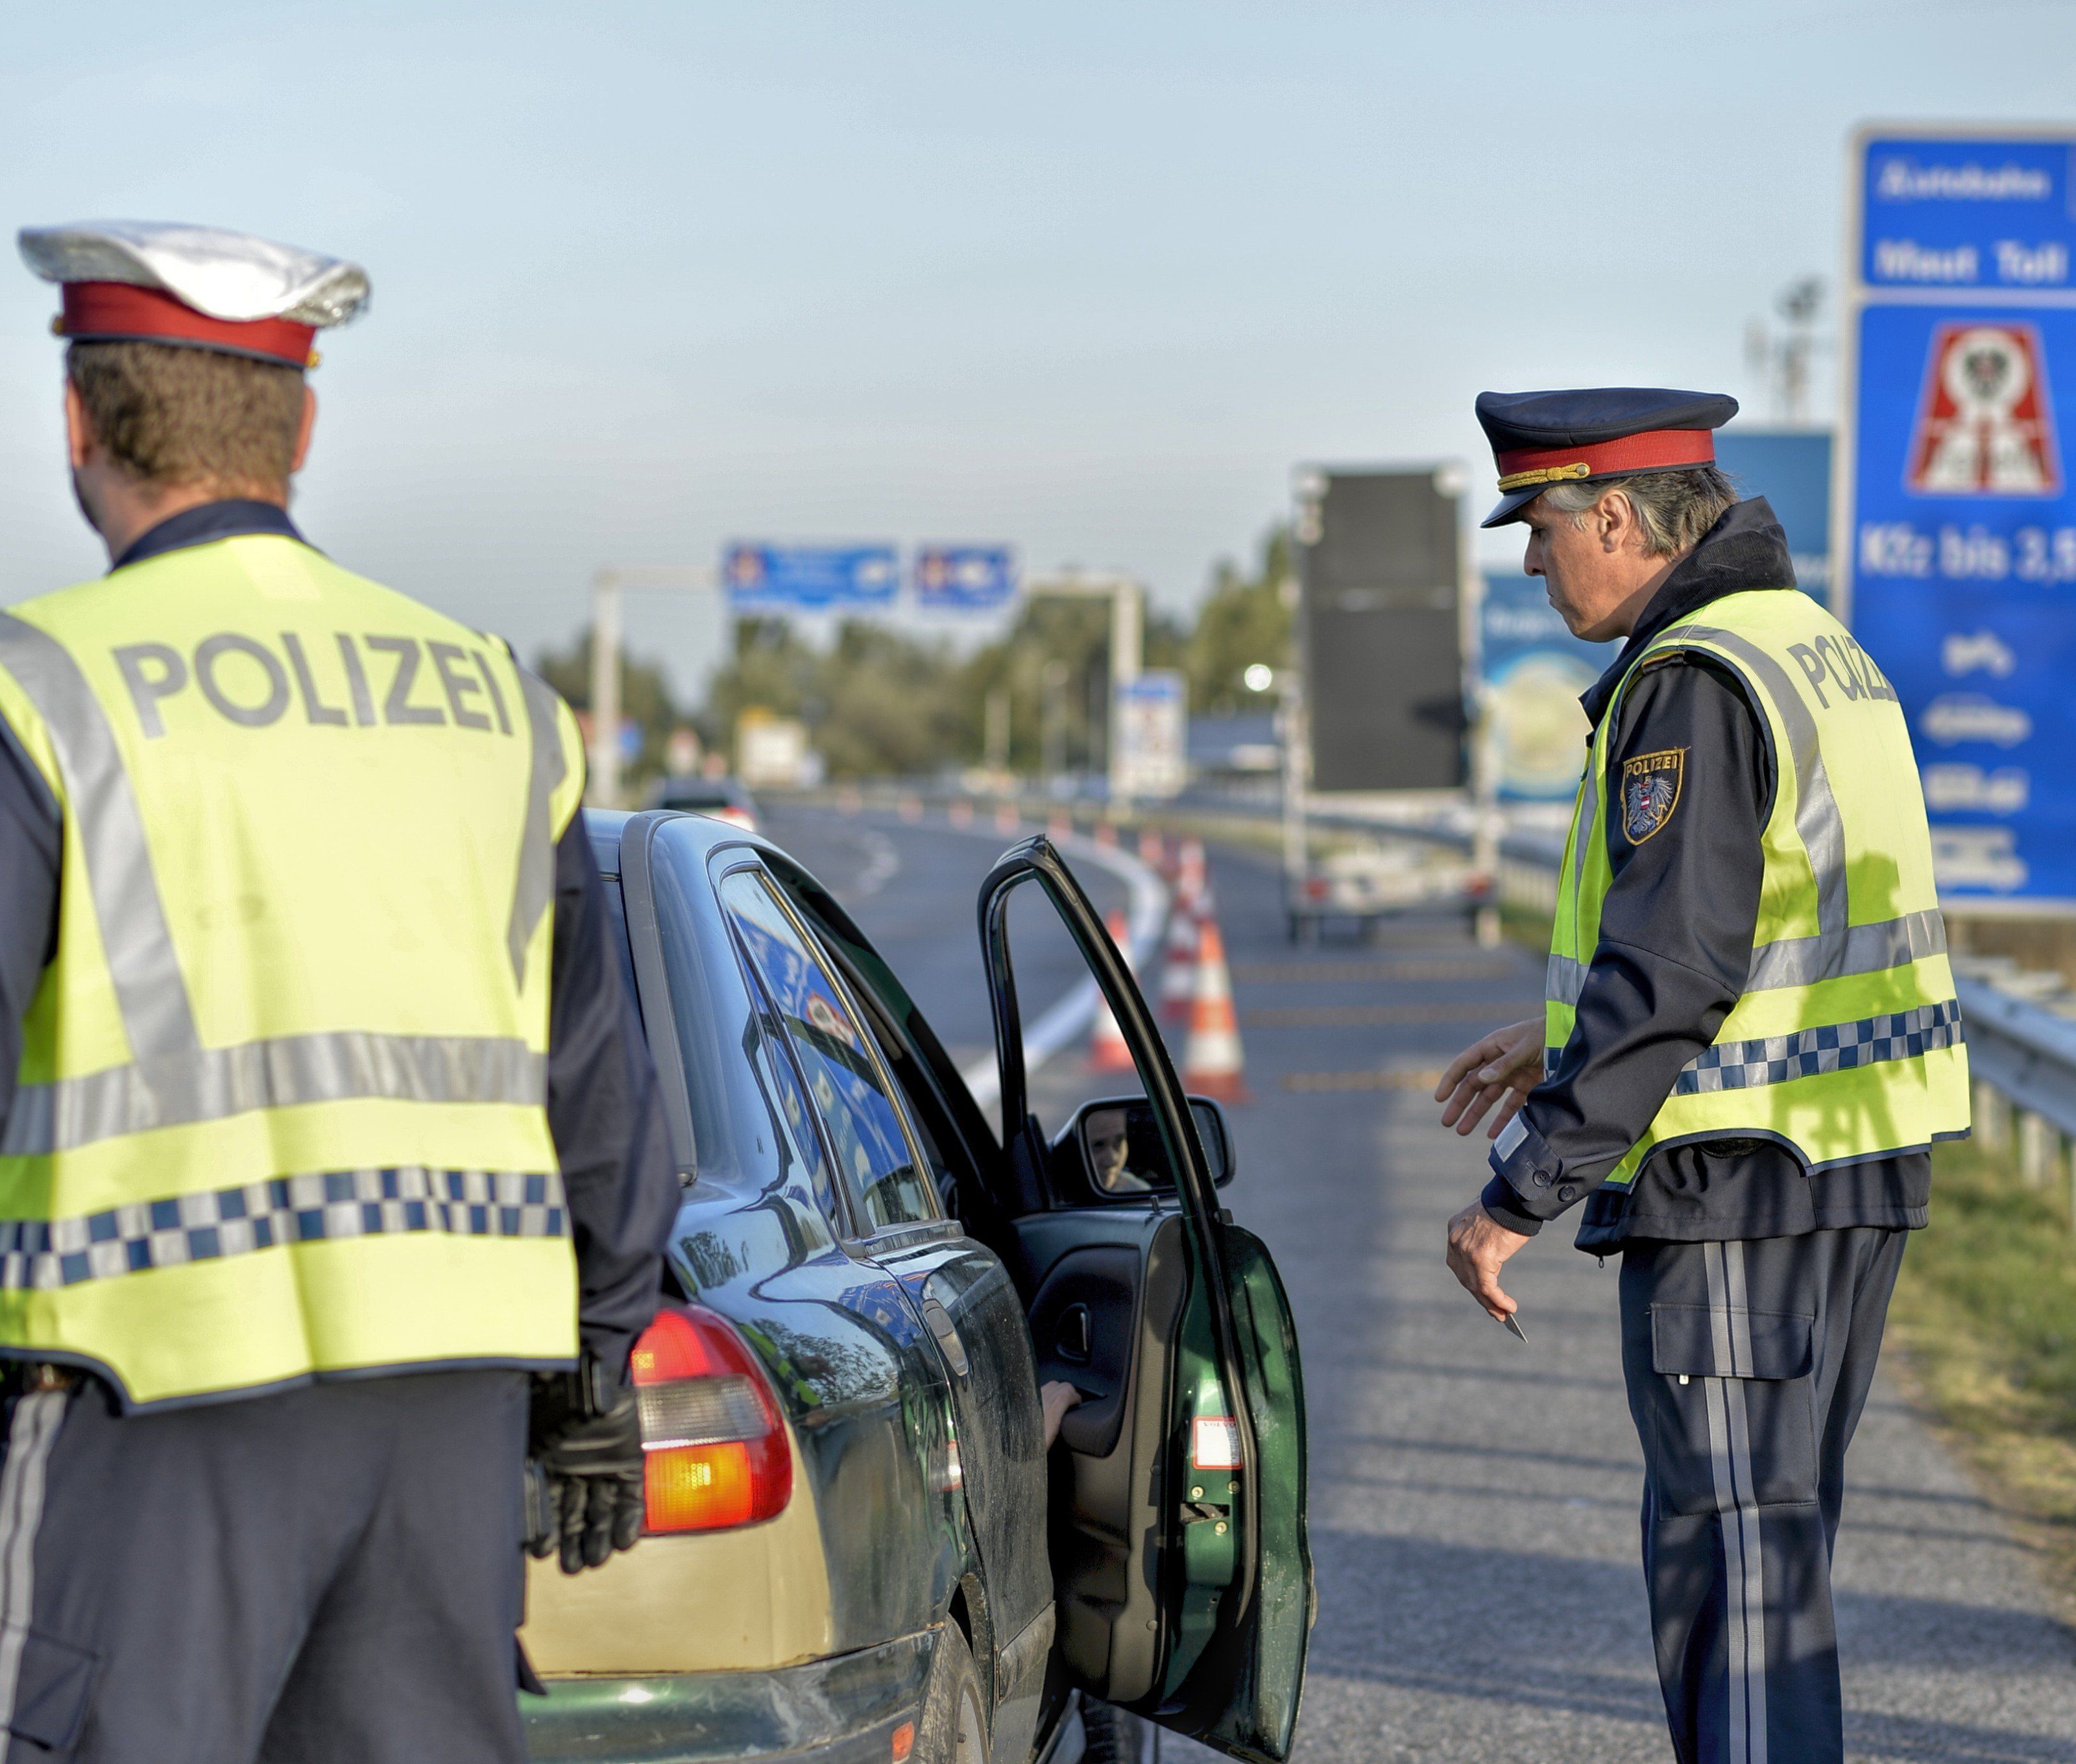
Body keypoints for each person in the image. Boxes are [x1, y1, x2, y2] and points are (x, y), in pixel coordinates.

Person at [0, 221, 680, 1764]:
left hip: (139, 1405)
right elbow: (596, 1085)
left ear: (77, 422)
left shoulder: (41, 690)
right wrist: (596, 1365)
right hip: (443, 1429)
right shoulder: (495, 702)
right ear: (301, 428)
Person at [1434, 387, 1969, 1764]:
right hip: (1849, 1166)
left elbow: (1676, 966)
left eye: (1541, 527)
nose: (1531, 560)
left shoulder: (1692, 678)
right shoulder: (1812, 644)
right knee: (1771, 1559)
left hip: (1736, 1184)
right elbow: (1771, 925)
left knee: (1734, 1578)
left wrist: (1518, 1192)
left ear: (1616, 516)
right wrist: (1563, 1038)